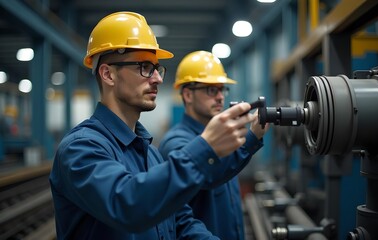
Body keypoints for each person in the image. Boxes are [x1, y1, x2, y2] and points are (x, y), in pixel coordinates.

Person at [49, 12, 258, 240]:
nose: (157, 78)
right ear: (108, 74)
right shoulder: (80, 148)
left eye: (157, 68)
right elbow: (128, 204)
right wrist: (205, 148)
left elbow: (180, 222)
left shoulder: (151, 153)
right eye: (145, 67)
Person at [158, 51, 269, 240]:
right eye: (211, 90)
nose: (220, 97)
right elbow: (210, 176)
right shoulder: (176, 143)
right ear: (188, 94)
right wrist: (250, 140)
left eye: (222, 89)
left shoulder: (224, 138)